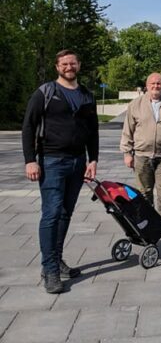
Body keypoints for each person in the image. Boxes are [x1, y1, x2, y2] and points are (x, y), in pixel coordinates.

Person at [21, 49, 99, 294]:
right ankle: (50, 269)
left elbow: (93, 130)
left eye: (73, 62)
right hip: (51, 161)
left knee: (65, 214)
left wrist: (93, 159)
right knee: (52, 214)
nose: (69, 66)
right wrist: (30, 160)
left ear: (78, 65)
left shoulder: (87, 95)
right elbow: (28, 127)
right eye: (64, 63)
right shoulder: (45, 92)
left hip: (77, 162)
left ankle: (57, 259)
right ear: (57, 67)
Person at [120, 72, 161, 236]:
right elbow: (128, 129)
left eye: (159, 83)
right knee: (144, 192)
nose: (156, 86)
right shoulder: (136, 104)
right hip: (142, 154)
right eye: (152, 83)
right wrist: (127, 153)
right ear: (147, 85)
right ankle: (146, 222)